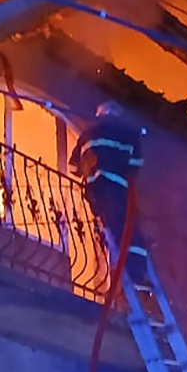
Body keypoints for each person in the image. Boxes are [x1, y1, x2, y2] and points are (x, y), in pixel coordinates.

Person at [69, 101, 151, 280]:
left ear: (99, 115)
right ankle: (135, 272)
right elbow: (135, 166)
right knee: (128, 229)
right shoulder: (129, 134)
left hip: (93, 192)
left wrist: (90, 170)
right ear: (118, 116)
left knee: (109, 227)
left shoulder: (86, 135)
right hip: (116, 188)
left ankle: (118, 268)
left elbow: (72, 168)